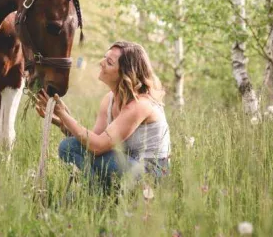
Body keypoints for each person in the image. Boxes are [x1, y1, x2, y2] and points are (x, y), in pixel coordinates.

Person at [35, 41, 171, 190]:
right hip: (128, 164)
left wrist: (63, 114)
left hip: (150, 173)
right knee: (72, 146)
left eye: (109, 62)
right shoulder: (110, 99)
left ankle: (95, 193)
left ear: (125, 73)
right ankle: (98, 193)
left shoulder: (140, 105)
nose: (101, 63)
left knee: (68, 146)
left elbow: (97, 146)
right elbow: (91, 140)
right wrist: (60, 120)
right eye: (104, 57)